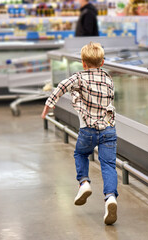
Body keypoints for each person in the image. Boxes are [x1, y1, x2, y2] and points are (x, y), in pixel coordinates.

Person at [41, 42, 118, 225]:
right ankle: (110, 198)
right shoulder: (108, 79)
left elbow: (61, 87)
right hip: (108, 129)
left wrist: (48, 106)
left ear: (83, 63)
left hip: (88, 130)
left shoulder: (79, 78)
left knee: (81, 153)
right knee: (108, 165)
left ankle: (84, 183)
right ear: (103, 62)